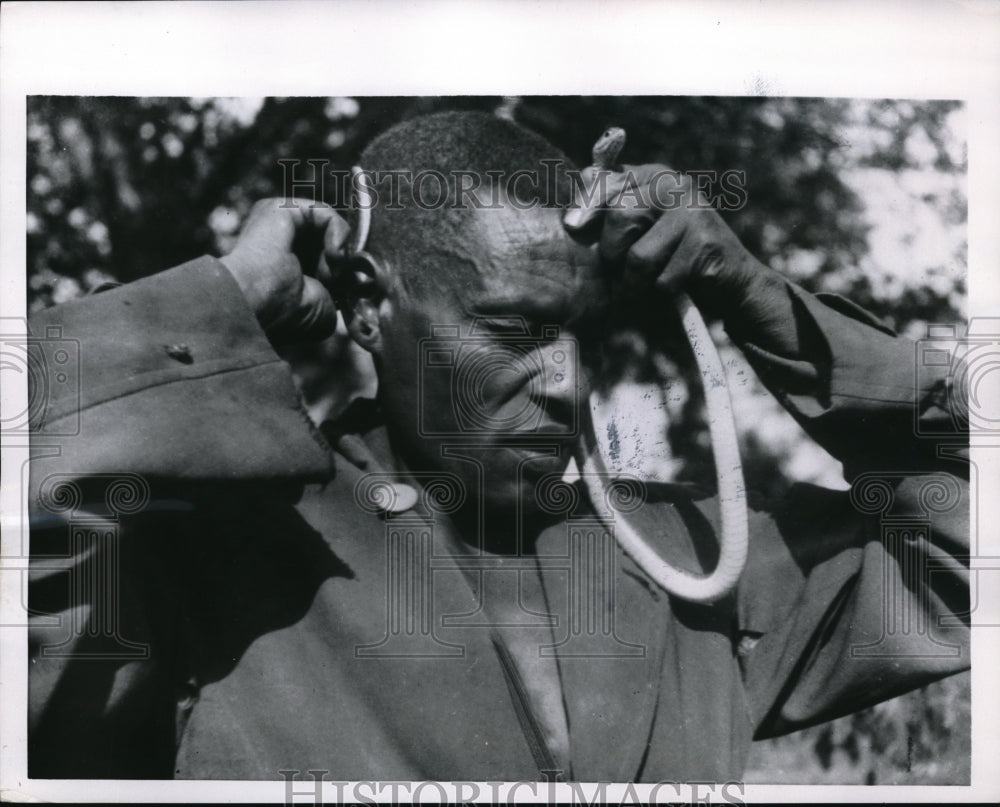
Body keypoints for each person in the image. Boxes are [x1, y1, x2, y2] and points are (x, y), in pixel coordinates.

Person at [27, 111, 969, 781]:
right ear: (365, 303)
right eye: (515, 332)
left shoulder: (696, 558)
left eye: (584, 338)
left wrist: (759, 300)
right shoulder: (201, 550)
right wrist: (219, 300)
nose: (569, 381)